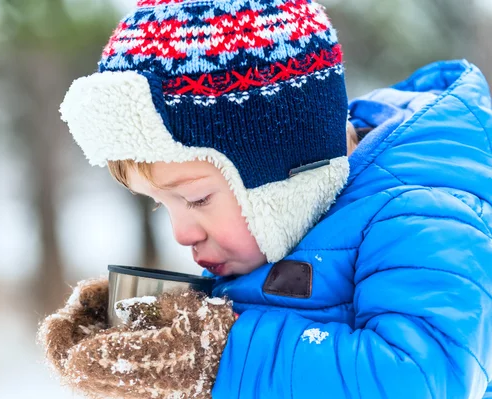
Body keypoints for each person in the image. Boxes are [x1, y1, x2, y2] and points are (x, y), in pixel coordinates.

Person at [37, 0, 492, 397]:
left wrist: (217, 355)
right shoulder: (281, 233)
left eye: (196, 199)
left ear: (289, 170)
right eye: (160, 202)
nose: (180, 233)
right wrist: (165, 322)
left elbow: (423, 380)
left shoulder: (424, 214)